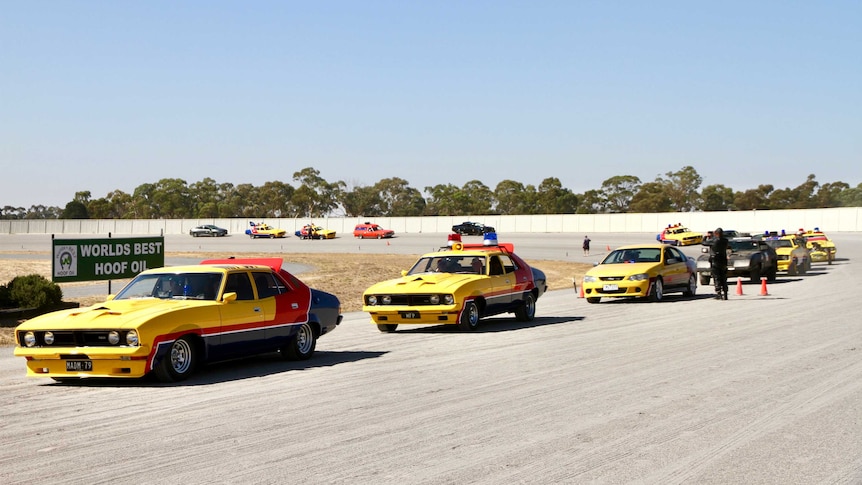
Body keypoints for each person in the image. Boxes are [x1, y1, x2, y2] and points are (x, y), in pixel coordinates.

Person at [703, 227, 729, 300]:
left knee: (716, 277)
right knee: (723, 277)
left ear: (716, 234)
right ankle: (725, 293)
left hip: (715, 261)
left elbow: (703, 243)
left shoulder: (714, 241)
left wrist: (706, 237)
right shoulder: (725, 240)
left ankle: (719, 293)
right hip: (723, 261)